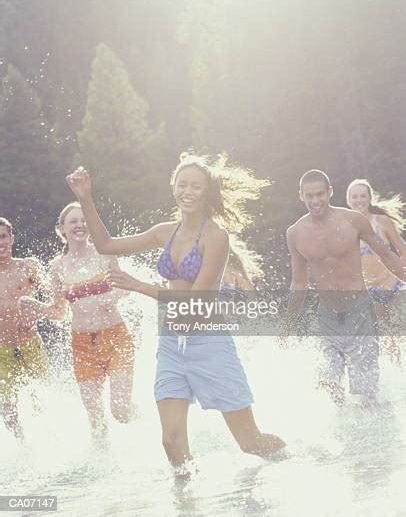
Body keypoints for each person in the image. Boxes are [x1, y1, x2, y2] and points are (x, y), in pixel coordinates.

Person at [66, 153, 285, 468]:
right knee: (171, 441)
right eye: (182, 184)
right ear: (173, 187)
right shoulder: (164, 232)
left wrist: (140, 285)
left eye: (196, 186)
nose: (188, 192)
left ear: (207, 191)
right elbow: (106, 245)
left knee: (250, 443)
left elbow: (197, 304)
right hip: (171, 345)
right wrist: (86, 199)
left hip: (210, 344)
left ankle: (290, 458)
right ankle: (187, 500)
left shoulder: (216, 237)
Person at [285, 170, 405, 407]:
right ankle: (344, 432)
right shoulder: (295, 233)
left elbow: (387, 256)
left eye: (320, 194)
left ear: (330, 192)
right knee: (329, 382)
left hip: (359, 310)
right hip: (327, 315)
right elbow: (299, 283)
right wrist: (287, 326)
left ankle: (374, 432)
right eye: (309, 196)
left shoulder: (353, 221)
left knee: (366, 393)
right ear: (301, 196)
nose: (315, 200)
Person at [46, 202, 136, 439]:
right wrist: (36, 307)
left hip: (116, 336)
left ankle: (154, 422)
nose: (80, 225)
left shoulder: (104, 252)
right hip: (82, 345)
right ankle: (102, 465)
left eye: (84, 220)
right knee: (96, 419)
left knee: (121, 411)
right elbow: (58, 312)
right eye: (73, 221)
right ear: (61, 229)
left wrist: (110, 296)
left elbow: (126, 287)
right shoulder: (56, 267)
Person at [0, 217, 64, 439]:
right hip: (2, 351)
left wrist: (35, 312)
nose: (0, 243)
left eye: (3, 237)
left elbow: (55, 302)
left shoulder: (28, 265)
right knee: (8, 409)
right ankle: (23, 449)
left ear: (12, 239)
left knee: (43, 398)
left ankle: (53, 439)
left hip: (30, 344)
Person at [346, 179, 405, 364]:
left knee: (395, 328)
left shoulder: (382, 222)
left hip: (394, 284)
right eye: (354, 196)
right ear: (348, 200)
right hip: (369, 290)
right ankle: (396, 371)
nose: (359, 200)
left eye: (363, 196)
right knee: (384, 333)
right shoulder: (344, 227)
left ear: (370, 198)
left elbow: (402, 251)